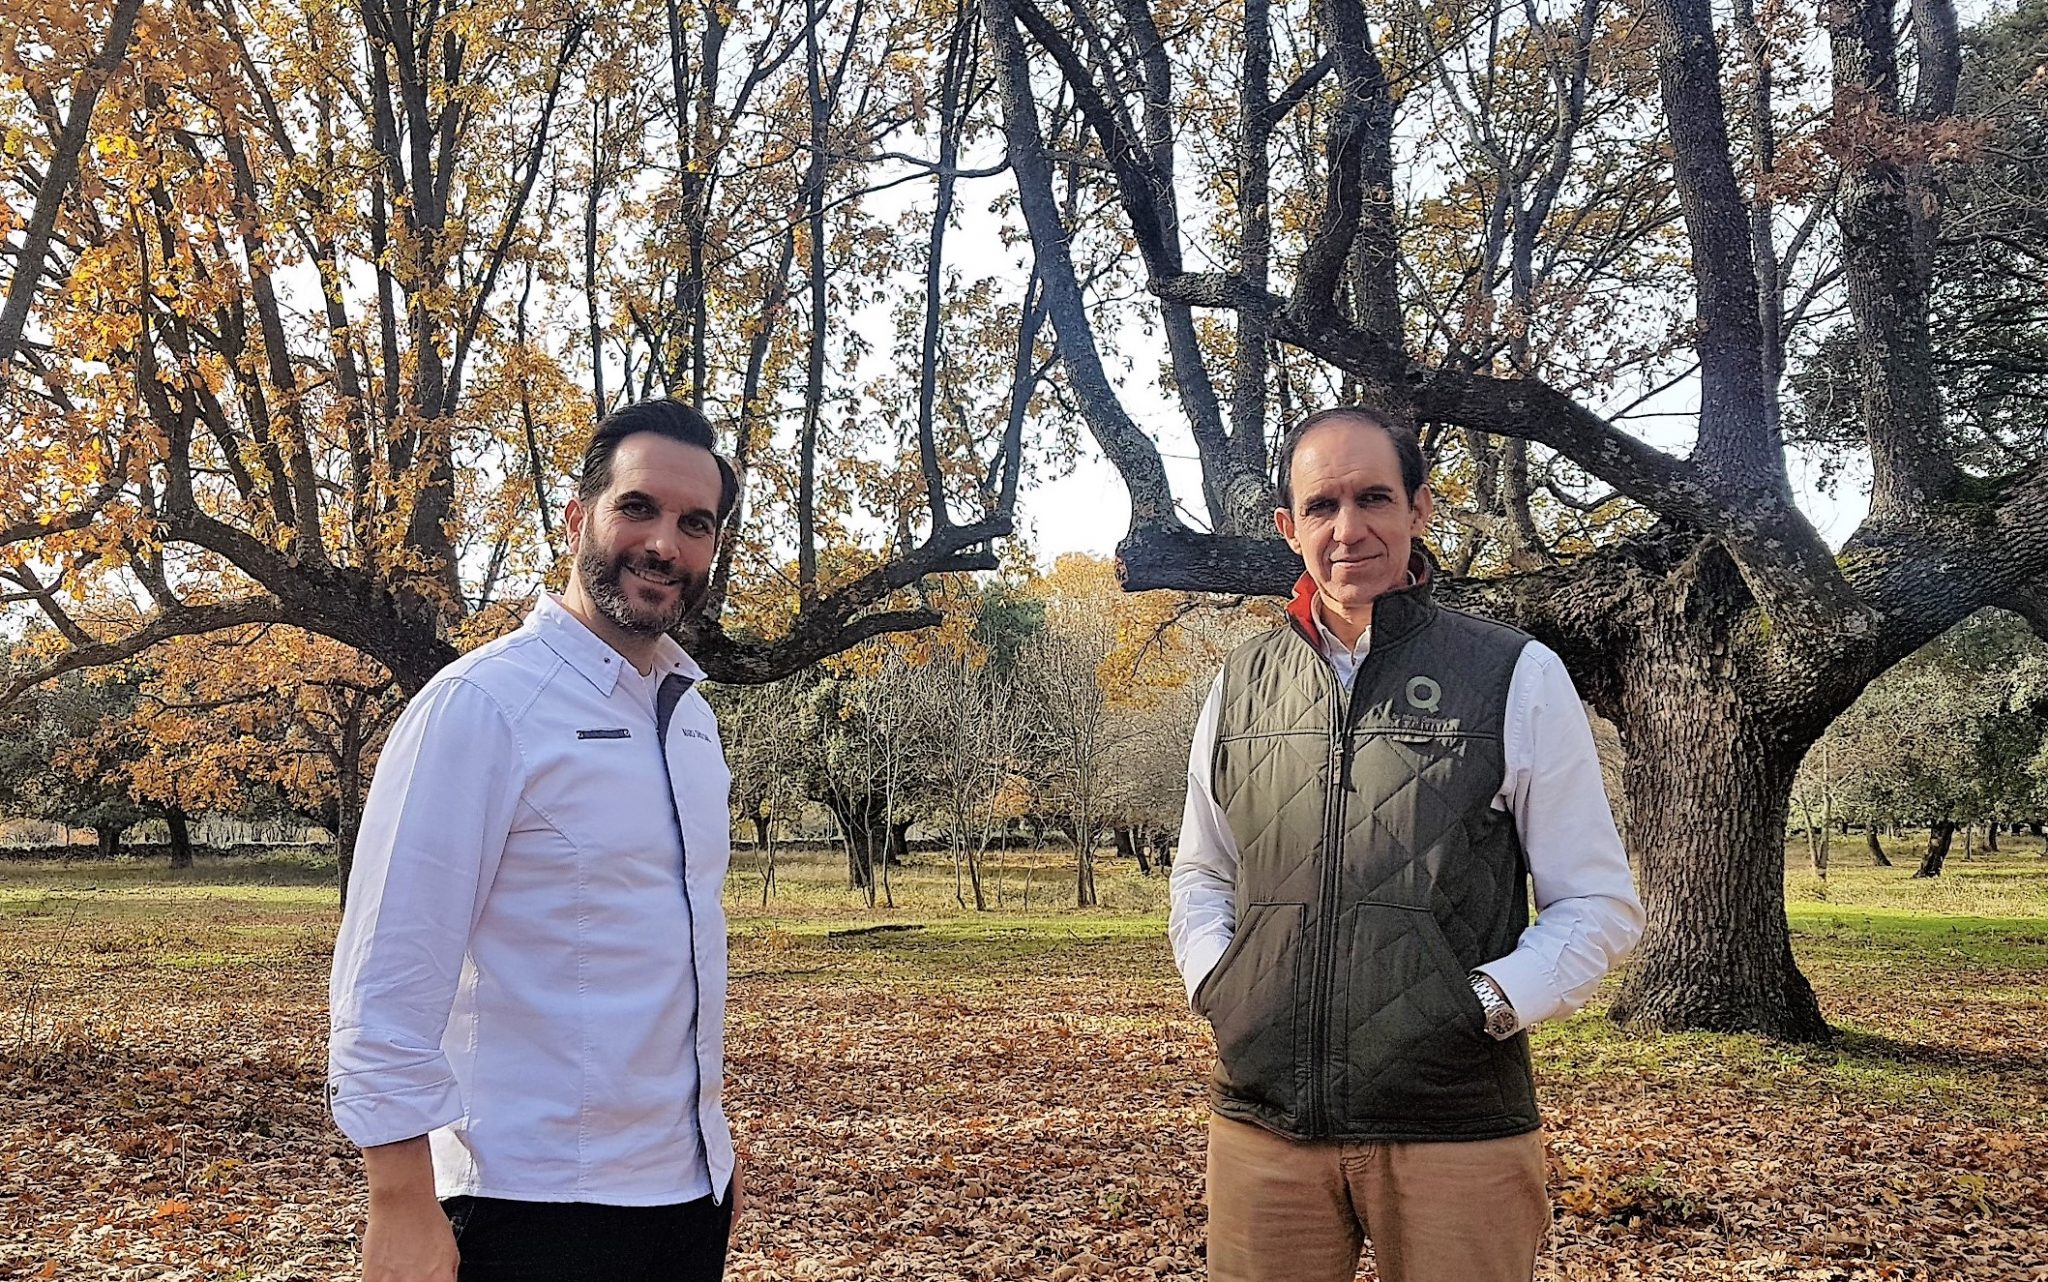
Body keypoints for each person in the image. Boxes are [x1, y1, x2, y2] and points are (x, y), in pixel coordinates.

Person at [1167, 406, 1644, 1282]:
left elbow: (1597, 901)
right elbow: (1203, 872)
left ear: (1420, 509)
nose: (1349, 529)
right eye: (1322, 507)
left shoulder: (1516, 674)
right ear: (1289, 528)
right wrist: (1221, 987)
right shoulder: (1240, 685)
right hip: (1264, 1126)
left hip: (1452, 1125)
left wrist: (1485, 1005)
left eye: (1375, 497)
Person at [328, 399, 744, 1282]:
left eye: (694, 523)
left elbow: (672, 963)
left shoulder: (691, 723)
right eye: (638, 508)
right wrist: (399, 1201)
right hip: (525, 1208)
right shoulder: (481, 706)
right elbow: (387, 975)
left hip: (682, 1204)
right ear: (577, 517)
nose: (664, 544)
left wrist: (714, 1154)